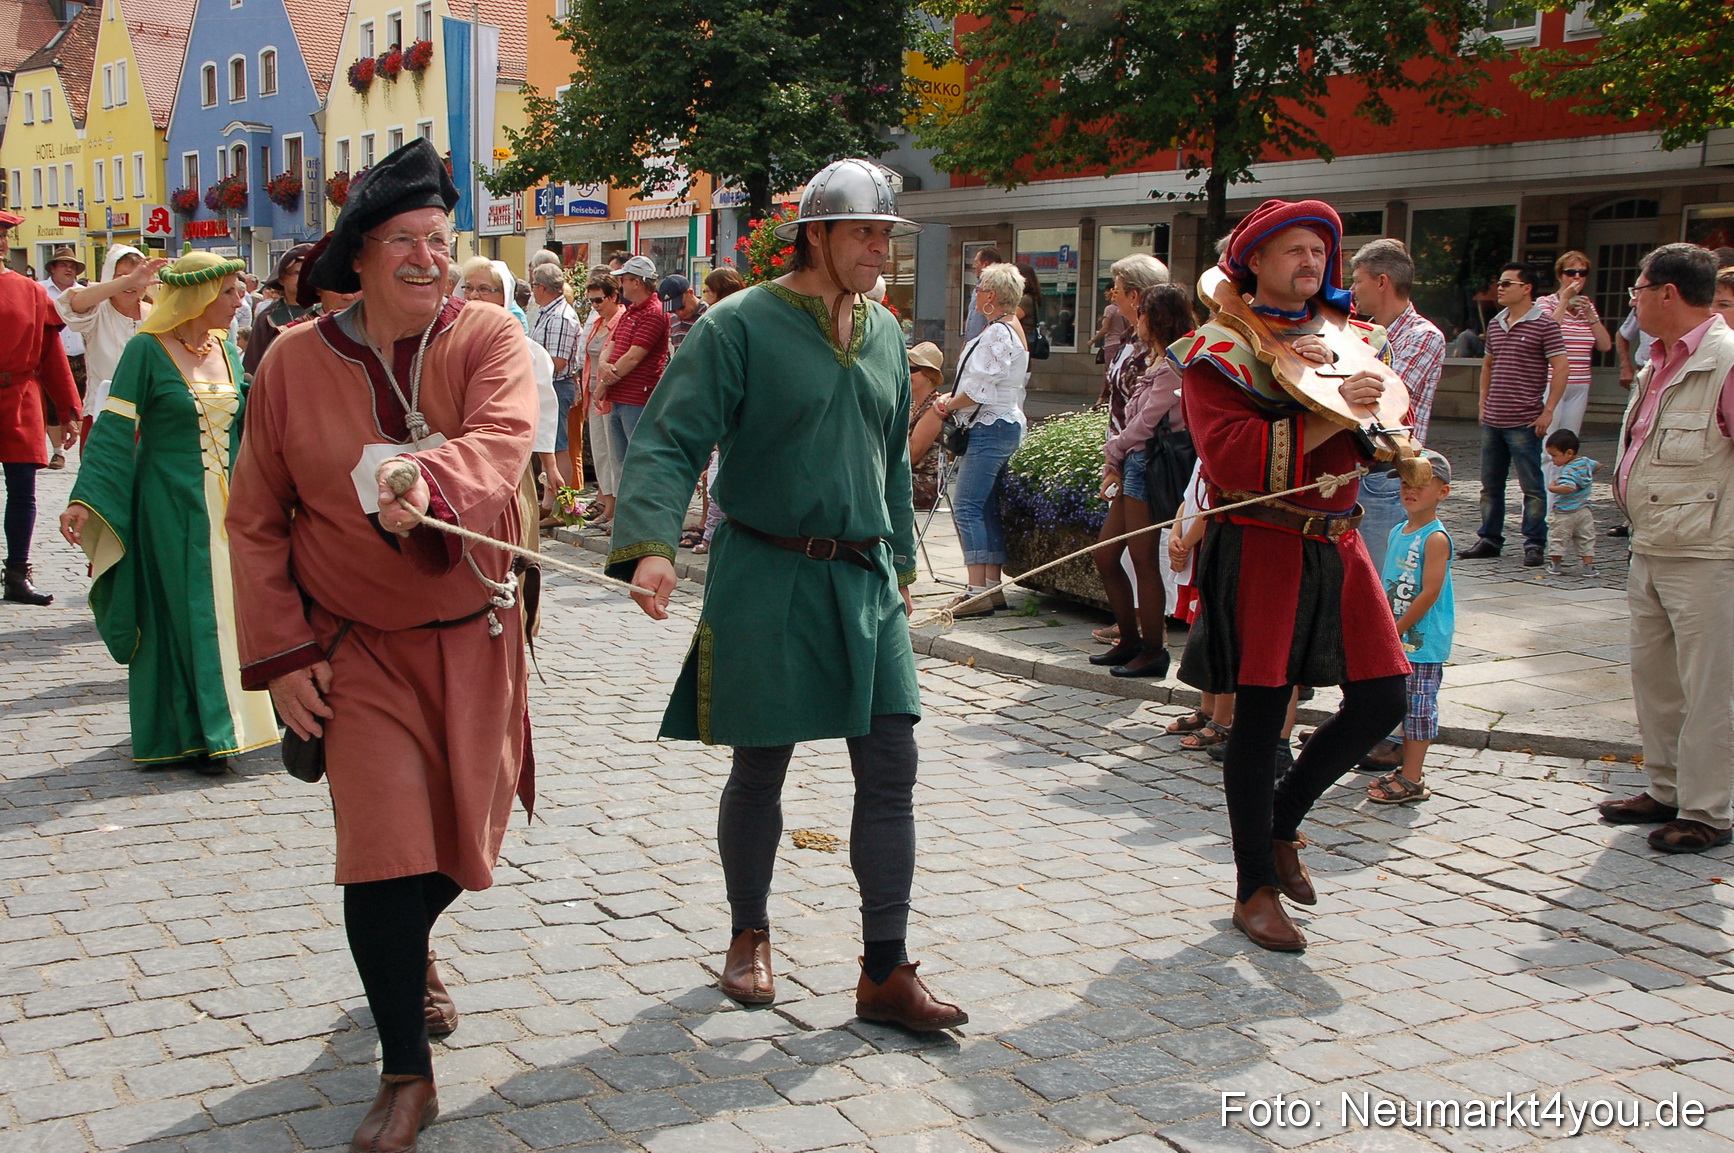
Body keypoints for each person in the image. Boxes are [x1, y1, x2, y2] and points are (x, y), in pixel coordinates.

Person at [606, 157, 967, 1032]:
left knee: (890, 767)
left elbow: (887, 456)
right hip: (765, 570)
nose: (880, 250)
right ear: (817, 234)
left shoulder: (883, 332)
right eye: (865, 234)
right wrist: (650, 546)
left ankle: (885, 968)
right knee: (760, 764)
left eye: (887, 234)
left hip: (863, 580)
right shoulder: (738, 326)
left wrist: (903, 567)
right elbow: (668, 437)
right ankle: (748, 933)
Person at [225, 138, 536, 1151]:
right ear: (355, 256)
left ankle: (410, 949)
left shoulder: (487, 334)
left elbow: (500, 440)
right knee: (380, 857)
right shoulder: (289, 362)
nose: (425, 257)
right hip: (354, 650)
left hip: (477, 638)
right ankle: (408, 1071)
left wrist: (428, 482)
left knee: (456, 848)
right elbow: (256, 517)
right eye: (401, 239)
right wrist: (281, 655)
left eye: (439, 239)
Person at [1177, 198, 1410, 952]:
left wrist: (1381, 432)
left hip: (1339, 542)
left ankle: (1280, 821)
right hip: (1265, 541)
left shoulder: (1351, 337)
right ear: (1255, 263)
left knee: (1383, 695)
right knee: (1261, 713)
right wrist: (1335, 412)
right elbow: (1231, 457)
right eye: (1292, 251)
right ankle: (1253, 888)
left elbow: (1381, 438)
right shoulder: (1219, 349)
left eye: (1318, 250)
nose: (1310, 262)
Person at [59, 250, 276, 771]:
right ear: (196, 295)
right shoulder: (146, 351)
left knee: (228, 610)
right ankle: (202, 731)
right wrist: (86, 498)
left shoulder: (224, 348)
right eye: (227, 292)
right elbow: (114, 430)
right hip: (169, 504)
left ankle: (232, 721)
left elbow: (253, 423)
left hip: (230, 505)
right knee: (186, 613)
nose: (239, 299)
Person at [1596, 243, 1734, 855]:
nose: (1634, 302)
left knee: (1711, 688)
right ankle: (1667, 786)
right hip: (1652, 544)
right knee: (1656, 678)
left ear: (1667, 294)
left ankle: (1709, 810)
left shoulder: (1725, 361)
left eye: (1638, 291)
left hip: (1710, 552)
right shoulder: (1657, 362)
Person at [1092, 283, 1194, 677]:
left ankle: (1153, 649)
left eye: (1145, 313)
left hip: (1147, 467)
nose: (1138, 320)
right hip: (1132, 464)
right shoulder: (1157, 359)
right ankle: (1130, 640)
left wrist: (1112, 452)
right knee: (1106, 553)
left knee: (1143, 559)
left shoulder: (1173, 367)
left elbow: (1144, 424)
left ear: (1159, 318)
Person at [934, 260, 1030, 617]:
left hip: (992, 425)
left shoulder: (996, 334)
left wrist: (947, 402)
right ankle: (991, 587)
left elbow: (977, 391)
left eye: (978, 289)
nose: (974, 294)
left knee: (968, 505)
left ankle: (975, 592)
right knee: (985, 506)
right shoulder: (1010, 329)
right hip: (1003, 423)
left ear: (991, 295)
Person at [1458, 263, 1568, 567]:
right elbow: (1489, 365)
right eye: (1500, 282)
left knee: (1531, 486)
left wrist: (1548, 411)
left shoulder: (1545, 324)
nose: (1500, 288)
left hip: (1525, 419)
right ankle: (1489, 539)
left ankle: (1534, 542)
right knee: (1490, 484)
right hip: (1494, 419)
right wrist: (1483, 403)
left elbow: (1562, 367)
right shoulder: (1495, 323)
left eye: (1507, 283)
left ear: (1527, 288)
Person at [1365, 449, 1454, 806]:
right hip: (1395, 635)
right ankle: (1402, 768)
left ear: (1443, 492)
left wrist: (1397, 626)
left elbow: (1430, 592)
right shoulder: (1399, 530)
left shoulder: (1435, 538)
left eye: (1419, 483)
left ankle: (1413, 777)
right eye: (1404, 482)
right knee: (1394, 703)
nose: (1409, 490)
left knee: (1418, 709)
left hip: (1422, 641)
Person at [0, 212, 81, 605]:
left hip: (19, 395)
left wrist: (68, 409)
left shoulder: (30, 292)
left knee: (22, 491)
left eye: (3, 235)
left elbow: (52, 357)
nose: (0, 241)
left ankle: (17, 572)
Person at [1349, 239, 1446, 562]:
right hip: (1353, 469)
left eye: (1357, 280)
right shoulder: (1359, 333)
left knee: (1379, 577)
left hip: (1385, 476)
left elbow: (1384, 398)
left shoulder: (1422, 335)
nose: (1352, 290)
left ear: (1381, 282)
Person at [57, 245, 164, 433]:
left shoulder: (155, 315)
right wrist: (129, 280)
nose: (131, 284)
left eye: (138, 276)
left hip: (148, 418)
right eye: (120, 276)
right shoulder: (96, 311)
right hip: (103, 415)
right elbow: (73, 303)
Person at [1537, 251, 1613, 508]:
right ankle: (1543, 507)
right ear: (1560, 275)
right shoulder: (1545, 303)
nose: (1577, 278)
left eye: (1582, 273)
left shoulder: (1587, 307)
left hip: (1580, 383)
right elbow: (1545, 333)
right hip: (1551, 382)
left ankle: (1562, 504)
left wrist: (1591, 316)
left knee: (1568, 449)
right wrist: (1564, 301)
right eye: (1571, 272)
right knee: (1548, 449)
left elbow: (1604, 345)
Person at [598, 253, 668, 463]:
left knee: (637, 461)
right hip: (621, 396)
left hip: (637, 398)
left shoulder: (654, 312)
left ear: (637, 282)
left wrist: (604, 381)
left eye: (623, 279)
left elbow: (633, 357)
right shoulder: (631, 311)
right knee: (623, 461)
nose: (620, 285)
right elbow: (613, 342)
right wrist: (603, 364)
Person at [529, 262, 580, 498]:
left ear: (541, 287)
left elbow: (557, 362)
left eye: (533, 285)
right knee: (548, 444)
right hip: (548, 384)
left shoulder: (560, 316)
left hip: (556, 385)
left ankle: (562, 504)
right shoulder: (548, 312)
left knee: (557, 445)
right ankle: (550, 501)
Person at [1097, 254, 1170, 419]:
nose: (1113, 298)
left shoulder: (1157, 345)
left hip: (1135, 442)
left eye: (1116, 291)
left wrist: (1120, 444)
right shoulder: (1128, 337)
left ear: (1133, 296)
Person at [579, 271, 624, 527]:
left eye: (599, 300)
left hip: (610, 395)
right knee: (600, 453)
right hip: (593, 396)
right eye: (592, 301)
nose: (595, 306)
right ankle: (607, 507)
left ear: (613, 297)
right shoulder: (597, 323)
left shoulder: (619, 321)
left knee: (614, 454)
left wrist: (603, 387)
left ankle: (616, 510)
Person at [38, 247, 87, 469]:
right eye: (64, 265)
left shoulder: (83, 293)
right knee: (52, 407)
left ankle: (80, 446)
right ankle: (58, 452)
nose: (69, 269)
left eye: (73, 266)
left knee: (82, 406)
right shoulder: (40, 291)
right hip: (52, 356)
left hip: (81, 355)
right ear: (53, 268)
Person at [242, 243, 315, 375]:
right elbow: (254, 364)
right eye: (298, 273)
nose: (304, 278)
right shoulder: (269, 317)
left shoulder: (326, 309)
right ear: (282, 279)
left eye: (309, 272)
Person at [1543, 429, 1598, 576]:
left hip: (1564, 511)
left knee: (1557, 538)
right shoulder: (1585, 462)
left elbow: (1568, 487)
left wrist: (1552, 487)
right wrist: (1586, 476)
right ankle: (1588, 567)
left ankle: (1555, 565)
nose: (1553, 460)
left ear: (1569, 453)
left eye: (1554, 455)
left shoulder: (1568, 470)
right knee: (1586, 538)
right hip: (1584, 510)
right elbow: (1598, 465)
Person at [906, 342, 946, 512]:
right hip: (905, 478)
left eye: (912, 370)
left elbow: (912, 455)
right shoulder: (913, 406)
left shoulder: (935, 408)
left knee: (864, 488)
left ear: (929, 375)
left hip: (924, 483)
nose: (905, 374)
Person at [962, 246, 1003, 341]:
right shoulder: (977, 286)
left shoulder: (999, 289)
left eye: (976, 262)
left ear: (985, 264)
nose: (973, 266)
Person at [660, 273, 708, 351]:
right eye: (673, 310)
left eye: (681, 307)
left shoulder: (708, 314)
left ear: (691, 293)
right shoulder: (673, 318)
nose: (679, 313)